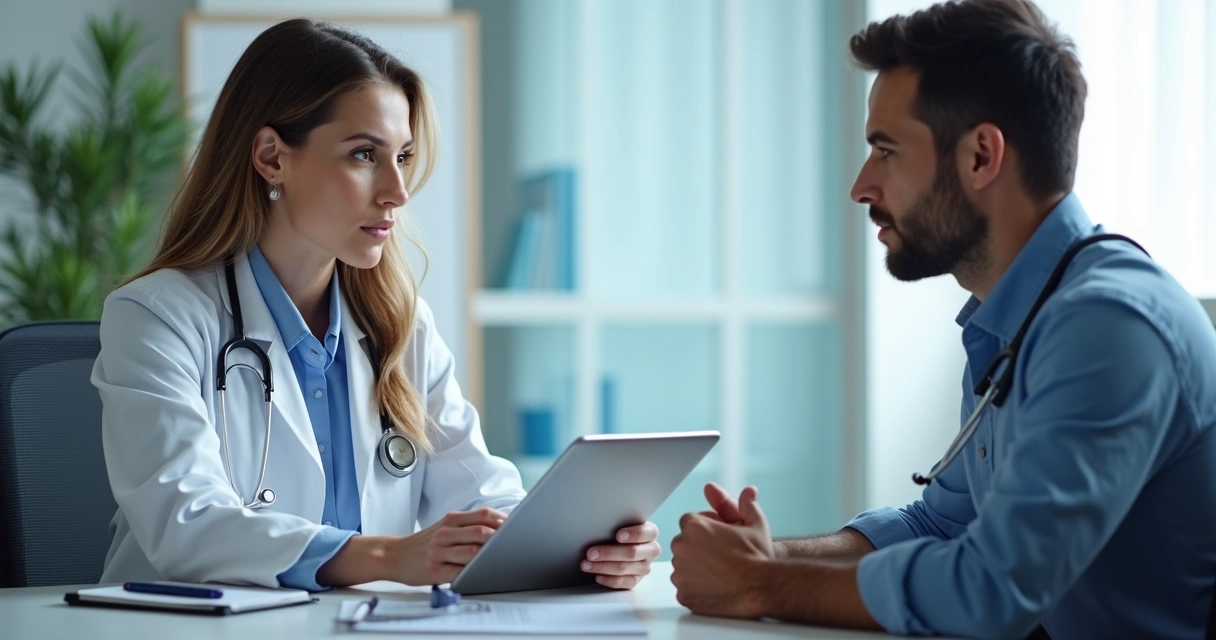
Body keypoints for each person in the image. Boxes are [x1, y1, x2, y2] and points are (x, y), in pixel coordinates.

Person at [669, 0, 1216, 638]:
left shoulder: (1108, 327)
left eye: (886, 151)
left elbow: (990, 590)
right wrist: (766, 559)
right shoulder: (1011, 321)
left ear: (982, 156)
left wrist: (758, 584)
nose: (861, 186)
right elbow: (943, 525)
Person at [93, 18, 658, 591]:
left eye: (403, 157)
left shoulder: (400, 324)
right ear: (271, 157)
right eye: (365, 154)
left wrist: (580, 549)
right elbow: (184, 523)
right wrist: (390, 558)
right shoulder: (156, 317)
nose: (397, 191)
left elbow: (482, 494)